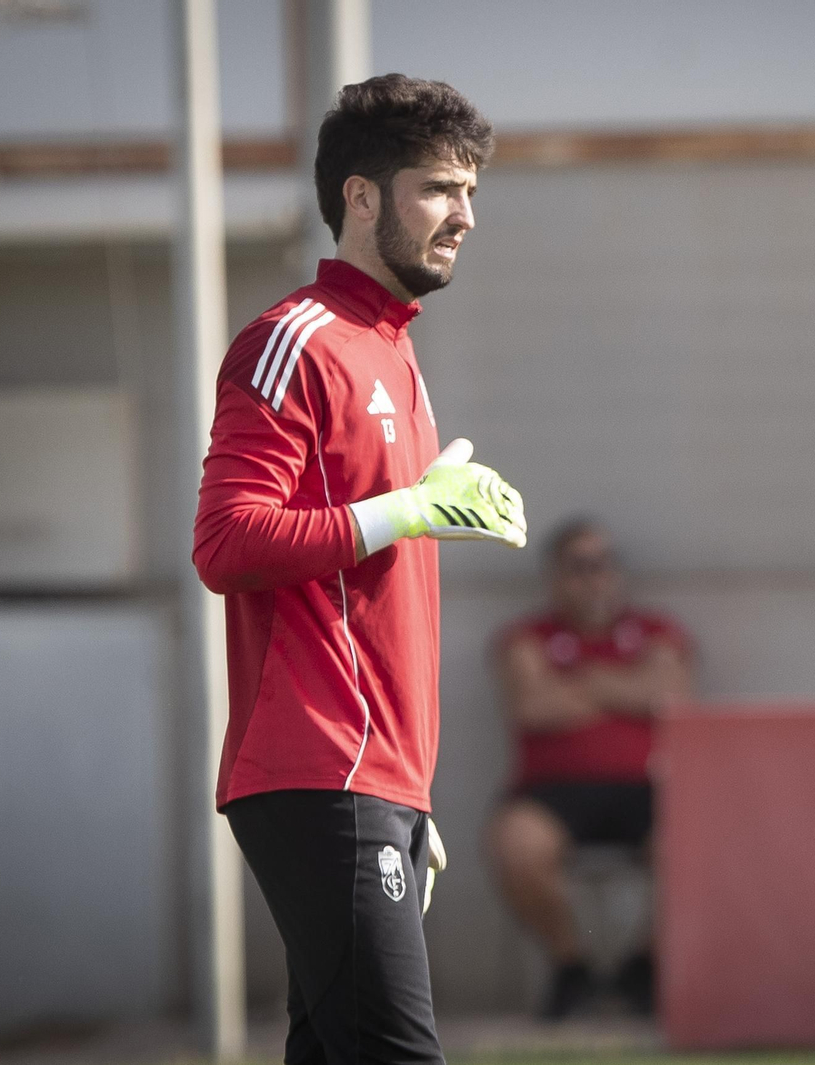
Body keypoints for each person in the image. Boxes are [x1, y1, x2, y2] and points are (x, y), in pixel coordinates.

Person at [192, 74, 526, 1065]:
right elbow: (226, 544)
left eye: (471, 193)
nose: (465, 216)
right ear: (362, 198)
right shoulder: (292, 340)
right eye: (439, 189)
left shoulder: (393, 354)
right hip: (317, 767)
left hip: (373, 782)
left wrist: (411, 799)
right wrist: (404, 509)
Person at [486, 517, 695, 1020]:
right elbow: (532, 705)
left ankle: (642, 967)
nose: (594, 578)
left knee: (694, 846)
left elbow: (671, 697)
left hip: (646, 788)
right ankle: (571, 966)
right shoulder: (526, 637)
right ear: (555, 576)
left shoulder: (656, 631)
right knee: (516, 845)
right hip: (552, 793)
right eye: (579, 567)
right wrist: (626, 689)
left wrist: (583, 682)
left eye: (604, 564)